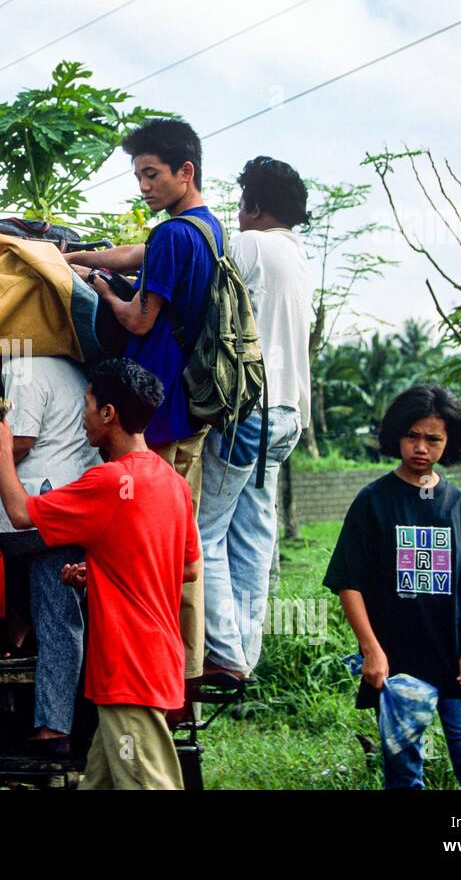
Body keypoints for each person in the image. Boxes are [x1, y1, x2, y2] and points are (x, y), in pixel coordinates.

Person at [0, 358, 200, 789]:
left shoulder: (106, 482)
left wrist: (2, 453)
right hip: (153, 661)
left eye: (87, 405)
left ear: (108, 414)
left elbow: (21, 513)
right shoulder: (171, 481)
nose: (82, 415)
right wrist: (102, 570)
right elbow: (188, 567)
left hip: (129, 670)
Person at [65, 118, 222, 695]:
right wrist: (78, 254)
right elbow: (139, 251)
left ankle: (159, 664)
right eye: (138, 175)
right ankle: (186, 666)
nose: (144, 186)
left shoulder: (173, 237)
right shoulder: (203, 229)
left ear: (186, 171)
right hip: (187, 407)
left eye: (152, 175)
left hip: (154, 412)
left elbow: (140, 318)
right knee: (183, 540)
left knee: (151, 541)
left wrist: (103, 288)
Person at [323, 385, 461, 790]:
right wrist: (371, 651)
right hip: (397, 670)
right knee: (404, 776)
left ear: (449, 442)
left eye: (433, 439)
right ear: (396, 436)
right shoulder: (373, 502)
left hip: (459, 668)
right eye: (412, 436)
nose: (420, 447)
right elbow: (347, 584)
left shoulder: (460, 506)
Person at [0, 355, 100, 756]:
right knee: (60, 615)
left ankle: (6, 620)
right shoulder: (68, 368)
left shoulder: (23, 367)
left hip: (38, 507)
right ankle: (55, 728)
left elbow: (18, 444)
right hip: (72, 511)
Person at [199, 156, 313, 680]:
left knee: (205, 532)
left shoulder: (249, 245)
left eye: (242, 206)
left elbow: (193, 284)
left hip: (246, 411)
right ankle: (247, 650)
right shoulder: (298, 256)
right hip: (287, 414)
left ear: (255, 207)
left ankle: (226, 654)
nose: (238, 216)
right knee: (254, 535)